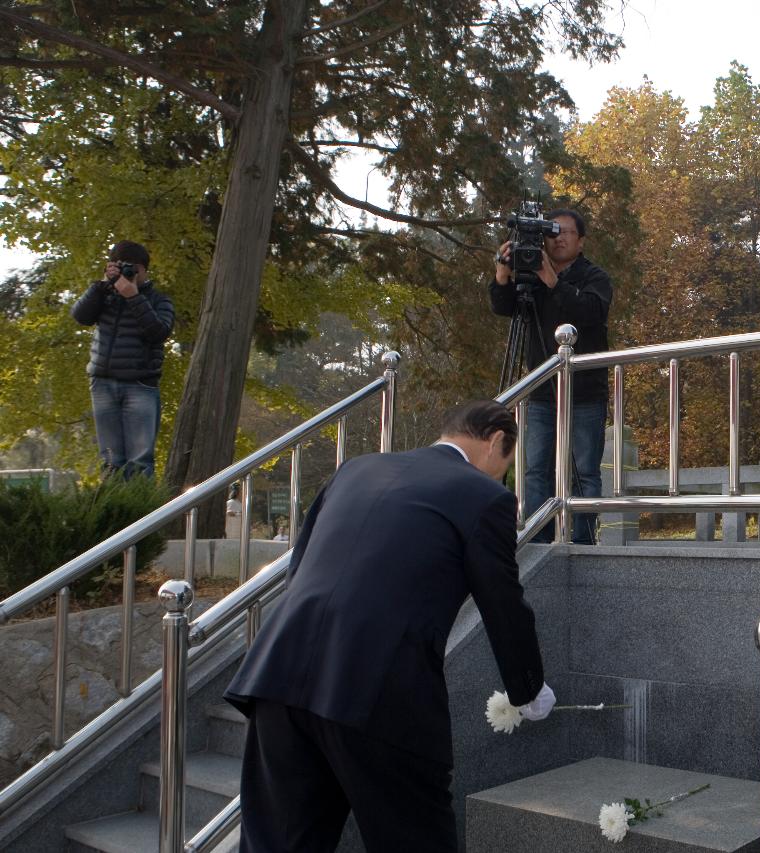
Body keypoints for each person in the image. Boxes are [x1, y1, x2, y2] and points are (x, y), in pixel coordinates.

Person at [225, 400, 555, 852]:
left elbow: (300, 567)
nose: (500, 476)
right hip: (378, 691)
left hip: (279, 674)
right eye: (504, 465)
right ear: (497, 440)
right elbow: (502, 601)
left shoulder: (356, 470)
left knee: (279, 843)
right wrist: (529, 689)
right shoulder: (486, 497)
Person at [490, 208, 612, 544]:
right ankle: (537, 541)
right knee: (535, 470)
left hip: (584, 392)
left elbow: (591, 312)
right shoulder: (530, 275)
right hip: (542, 391)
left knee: (584, 471)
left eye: (567, 233)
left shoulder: (594, 277)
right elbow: (504, 308)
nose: (558, 238)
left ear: (581, 241)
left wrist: (553, 282)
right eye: (553, 232)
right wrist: (502, 274)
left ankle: (584, 541)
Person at [70, 240, 174, 479]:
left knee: (140, 460)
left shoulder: (159, 300)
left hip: (140, 385)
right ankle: (116, 513)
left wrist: (134, 297)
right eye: (122, 267)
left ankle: (142, 514)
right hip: (103, 383)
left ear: (144, 271)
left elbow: (158, 332)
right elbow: (80, 316)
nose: (128, 274)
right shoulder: (104, 295)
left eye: (133, 269)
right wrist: (101, 285)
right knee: (109, 460)